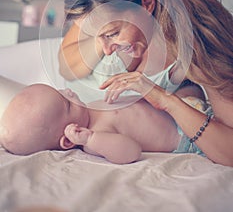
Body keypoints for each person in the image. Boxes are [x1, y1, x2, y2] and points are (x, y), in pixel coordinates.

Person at [58, 0, 233, 166]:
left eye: (112, 32)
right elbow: (65, 67)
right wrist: (101, 32)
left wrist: (165, 100)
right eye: (91, 32)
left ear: (147, 3)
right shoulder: (95, 5)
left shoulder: (200, 40)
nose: (107, 51)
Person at [0, 83, 206, 164]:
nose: (68, 91)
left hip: (182, 108)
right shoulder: (95, 136)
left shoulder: (89, 108)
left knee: (194, 86)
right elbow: (131, 152)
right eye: (66, 102)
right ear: (69, 139)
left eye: (60, 91)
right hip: (187, 136)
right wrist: (90, 138)